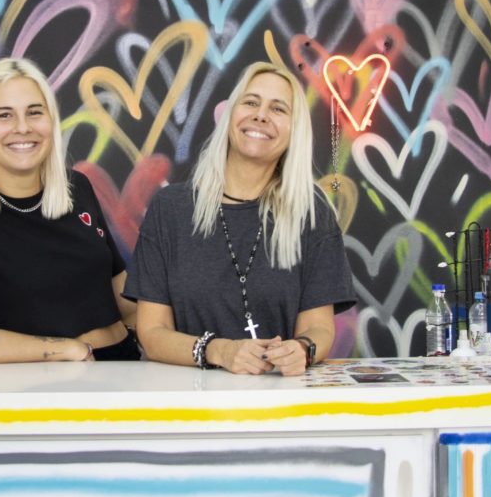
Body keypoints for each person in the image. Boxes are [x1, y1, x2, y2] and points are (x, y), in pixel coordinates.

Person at [123, 61, 356, 376]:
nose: (261, 115)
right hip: (188, 398)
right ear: (230, 115)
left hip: (278, 396)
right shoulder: (171, 209)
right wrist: (221, 351)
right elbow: (152, 334)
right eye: (250, 102)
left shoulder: (311, 211)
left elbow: (319, 328)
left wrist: (302, 349)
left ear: (295, 131)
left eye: (278, 109)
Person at [0, 58, 138, 363]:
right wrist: (66, 349)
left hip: (124, 365)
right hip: (42, 378)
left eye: (34, 112)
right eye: (4, 115)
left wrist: (165, 338)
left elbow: (121, 293)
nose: (23, 127)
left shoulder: (76, 188)